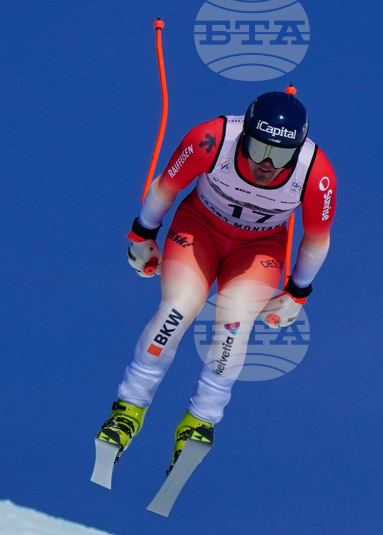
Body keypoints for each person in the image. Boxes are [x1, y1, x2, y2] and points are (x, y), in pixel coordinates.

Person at [97, 90, 337, 474]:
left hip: (259, 247)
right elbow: (166, 187)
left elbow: (316, 238)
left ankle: (200, 421)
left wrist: (298, 292)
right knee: (178, 310)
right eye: (259, 149)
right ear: (244, 137)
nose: (268, 165)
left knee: (235, 323)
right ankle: (128, 411)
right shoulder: (211, 139)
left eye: (282, 155)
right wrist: (142, 234)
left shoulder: (316, 174)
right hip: (200, 230)